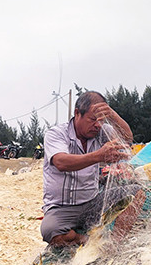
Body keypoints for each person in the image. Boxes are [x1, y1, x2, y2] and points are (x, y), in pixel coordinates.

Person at [41, 91, 141, 246]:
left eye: (102, 120)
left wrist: (112, 115)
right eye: (93, 119)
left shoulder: (100, 132)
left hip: (92, 202)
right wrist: (99, 156)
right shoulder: (56, 134)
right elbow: (61, 162)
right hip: (62, 208)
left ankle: (114, 243)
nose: (98, 125)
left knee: (137, 193)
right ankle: (82, 240)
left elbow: (127, 139)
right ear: (77, 113)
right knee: (50, 231)